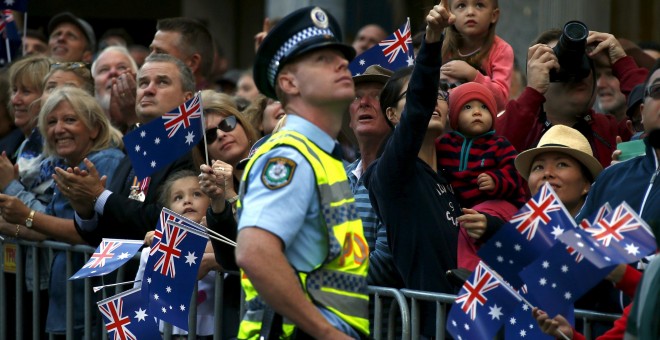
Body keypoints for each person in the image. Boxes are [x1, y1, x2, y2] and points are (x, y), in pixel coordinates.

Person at [235, 6, 370, 339]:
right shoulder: (289, 157)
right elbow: (254, 252)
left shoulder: (322, 156)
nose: (342, 63)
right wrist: (325, 332)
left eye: (341, 56)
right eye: (321, 59)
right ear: (288, 82)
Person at [363, 3, 459, 337]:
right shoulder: (391, 173)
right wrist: (432, 42)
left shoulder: (451, 177)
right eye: (423, 93)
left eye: (442, 93)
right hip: (428, 328)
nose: (434, 99)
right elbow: (417, 110)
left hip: (469, 323)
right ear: (391, 114)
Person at [0, 87, 124, 337]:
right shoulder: (67, 167)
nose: (59, 129)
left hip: (90, 308)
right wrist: (11, 225)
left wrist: (22, 207)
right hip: (67, 308)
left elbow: (83, 234)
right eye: (51, 122)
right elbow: (52, 230)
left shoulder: (103, 162)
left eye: (70, 119)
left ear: (94, 128)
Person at [52, 53, 196, 246]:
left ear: (187, 98)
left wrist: (99, 196)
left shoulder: (192, 150)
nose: (149, 90)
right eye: (143, 83)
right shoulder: (136, 149)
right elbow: (110, 233)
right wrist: (86, 210)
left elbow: (163, 219)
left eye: (162, 82)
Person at [497, 29, 647, 168]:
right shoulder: (523, 129)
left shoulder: (610, 131)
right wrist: (532, 93)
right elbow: (494, 150)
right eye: (558, 63)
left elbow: (653, 118)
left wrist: (622, 63)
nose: (574, 71)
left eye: (581, 61)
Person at [436, 81, 528, 271]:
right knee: (467, 230)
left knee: (468, 230)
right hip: (467, 208)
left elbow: (516, 173)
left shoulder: (498, 144)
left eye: (484, 107)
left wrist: (496, 180)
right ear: (453, 117)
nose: (477, 112)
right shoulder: (444, 144)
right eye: (468, 107)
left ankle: (468, 274)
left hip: (498, 204)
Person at [134, 170, 222, 338]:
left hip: (210, 331)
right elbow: (140, 292)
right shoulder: (156, 247)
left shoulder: (221, 240)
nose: (187, 200)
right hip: (163, 330)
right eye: (178, 198)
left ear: (212, 201)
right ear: (168, 212)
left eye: (197, 194)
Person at [440, 0, 513, 112]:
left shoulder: (501, 50)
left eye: (479, 5)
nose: (470, 12)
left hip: (481, 123)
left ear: (493, 15)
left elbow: (501, 101)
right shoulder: (441, 47)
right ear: (450, 14)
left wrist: (471, 74)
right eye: (461, 5)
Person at [149, 17, 215, 90]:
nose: (149, 58)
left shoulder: (207, 101)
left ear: (192, 63)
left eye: (160, 53)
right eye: (151, 50)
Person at [91, 45, 139, 133]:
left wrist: (134, 119)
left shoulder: (154, 118)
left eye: (121, 67)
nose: (113, 72)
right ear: (93, 84)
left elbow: (146, 146)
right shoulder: (84, 125)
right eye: (104, 69)